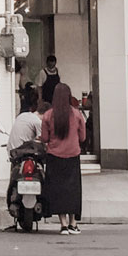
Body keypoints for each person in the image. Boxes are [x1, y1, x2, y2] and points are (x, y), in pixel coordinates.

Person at [41, 82, 86, 235]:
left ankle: (64, 225)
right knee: (72, 190)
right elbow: (83, 137)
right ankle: (74, 224)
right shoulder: (77, 114)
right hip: (73, 155)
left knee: (58, 190)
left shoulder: (48, 115)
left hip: (54, 157)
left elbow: (45, 138)